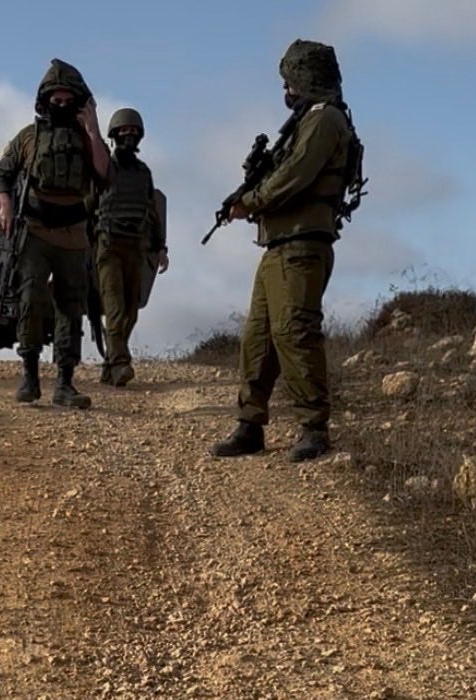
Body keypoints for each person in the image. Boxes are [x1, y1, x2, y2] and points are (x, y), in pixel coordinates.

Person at [211, 40, 358, 463]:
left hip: (303, 244)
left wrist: (251, 201)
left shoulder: (325, 118)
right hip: (279, 244)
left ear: (306, 78)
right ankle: (249, 425)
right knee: (257, 338)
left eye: (290, 81)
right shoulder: (305, 122)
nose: (286, 91)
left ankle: (314, 427)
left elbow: (295, 175)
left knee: (295, 332)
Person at [0, 60, 112, 410]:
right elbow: (2, 173)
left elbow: (104, 176)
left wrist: (93, 130)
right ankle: (29, 376)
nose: (61, 106)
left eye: (67, 101)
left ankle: (64, 382)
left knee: (71, 307)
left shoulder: (87, 138)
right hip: (35, 230)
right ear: (45, 101)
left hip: (74, 234)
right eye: (55, 100)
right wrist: (5, 205)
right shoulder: (29, 137)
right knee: (30, 298)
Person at [91, 109, 167, 387]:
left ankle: (110, 366)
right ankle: (122, 364)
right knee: (114, 308)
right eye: (123, 131)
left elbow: (152, 212)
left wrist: (160, 248)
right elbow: (88, 207)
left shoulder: (143, 173)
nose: (129, 136)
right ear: (114, 136)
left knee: (131, 311)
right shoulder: (104, 170)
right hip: (108, 246)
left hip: (136, 247)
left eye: (133, 132)